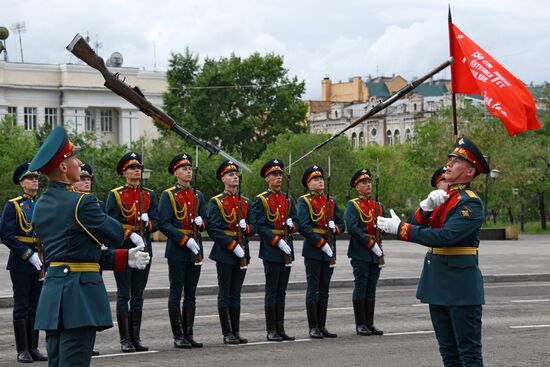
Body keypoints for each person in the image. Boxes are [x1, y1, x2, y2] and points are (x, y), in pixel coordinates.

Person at [28, 126, 150, 366]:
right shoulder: (82, 203)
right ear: (63, 167)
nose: (80, 163)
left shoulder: (40, 205)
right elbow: (115, 234)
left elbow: (76, 252)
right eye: (74, 158)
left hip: (54, 294)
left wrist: (124, 259)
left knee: (58, 362)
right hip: (79, 296)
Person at [377, 137, 489, 367]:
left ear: (469, 172)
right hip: (436, 282)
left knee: (468, 354)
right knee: (448, 351)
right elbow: (413, 223)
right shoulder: (444, 199)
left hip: (460, 287)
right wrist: (425, 207)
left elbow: (446, 237)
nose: (448, 164)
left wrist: (401, 229)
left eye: (456, 161)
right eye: (449, 159)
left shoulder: (470, 204)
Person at [105, 152, 159, 353]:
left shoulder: (149, 194)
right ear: (124, 172)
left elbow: (158, 220)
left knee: (138, 294)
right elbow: (110, 222)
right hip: (125, 248)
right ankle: (125, 339)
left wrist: (149, 223)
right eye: (132, 168)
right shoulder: (116, 194)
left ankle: (136, 337)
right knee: (123, 293)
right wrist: (128, 234)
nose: (137, 170)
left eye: (138, 167)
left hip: (144, 246)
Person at [0, 162, 48, 363]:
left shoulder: (43, 203)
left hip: (41, 261)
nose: (34, 182)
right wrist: (28, 254)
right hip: (22, 261)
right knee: (22, 304)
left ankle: (34, 347)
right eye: (30, 178)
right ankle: (22, 349)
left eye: (36, 178)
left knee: (36, 305)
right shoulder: (14, 205)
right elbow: (6, 234)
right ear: (22, 183)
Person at [158, 153, 206, 349]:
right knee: (176, 292)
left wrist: (202, 223)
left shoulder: (198, 195)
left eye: (189, 169)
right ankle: (178, 335)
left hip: (195, 248)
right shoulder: (168, 195)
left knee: (191, 293)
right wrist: (183, 239)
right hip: (178, 250)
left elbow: (205, 219)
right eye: (184, 169)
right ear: (176, 173)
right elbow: (164, 223)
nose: (188, 172)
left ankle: (189, 333)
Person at [207, 160, 253, 344]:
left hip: (242, 251)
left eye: (236, 174)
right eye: (231, 175)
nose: (235, 177)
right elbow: (213, 228)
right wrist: (231, 245)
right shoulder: (216, 202)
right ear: (223, 179)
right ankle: (227, 333)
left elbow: (254, 226)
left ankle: (236, 331)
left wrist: (247, 228)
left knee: (236, 292)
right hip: (226, 252)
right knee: (225, 292)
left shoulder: (245, 202)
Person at [296, 164, 345, 339]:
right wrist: (320, 243)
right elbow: (303, 225)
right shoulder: (304, 201)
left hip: (329, 249)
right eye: (316, 179)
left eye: (321, 179)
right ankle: (313, 327)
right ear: (309, 184)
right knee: (313, 287)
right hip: (314, 250)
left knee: (324, 289)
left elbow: (341, 223)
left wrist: (336, 228)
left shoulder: (330, 201)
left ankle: (322, 325)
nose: (320, 181)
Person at [251, 159, 297, 342]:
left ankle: (281, 327)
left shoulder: (288, 198)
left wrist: (293, 226)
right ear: (266, 179)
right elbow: (260, 226)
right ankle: (271, 330)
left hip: (287, 248)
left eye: (279, 175)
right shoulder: (261, 200)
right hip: (272, 249)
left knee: (282, 290)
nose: (278, 178)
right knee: (272, 289)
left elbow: (297, 220)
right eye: (274, 175)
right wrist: (276, 240)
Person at [344, 168, 384, 336]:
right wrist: (369, 243)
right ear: (356, 186)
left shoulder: (377, 205)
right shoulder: (353, 205)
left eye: (369, 182)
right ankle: (360, 324)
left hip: (376, 251)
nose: (367, 185)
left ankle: (370, 323)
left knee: (371, 287)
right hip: (361, 250)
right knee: (361, 285)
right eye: (363, 183)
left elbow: (382, 225)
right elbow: (352, 228)